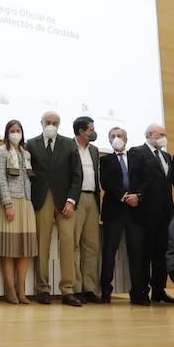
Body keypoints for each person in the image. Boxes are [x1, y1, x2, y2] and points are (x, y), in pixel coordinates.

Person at [26, 111, 81, 305]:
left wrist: (71, 200)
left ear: (60, 124)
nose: (51, 125)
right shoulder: (31, 144)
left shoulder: (69, 143)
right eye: (48, 122)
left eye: (55, 122)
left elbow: (77, 175)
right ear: (41, 122)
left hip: (65, 201)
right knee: (42, 244)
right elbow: (27, 173)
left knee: (68, 243)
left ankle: (67, 290)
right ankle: (43, 289)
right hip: (41, 199)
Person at [126, 124, 174, 304]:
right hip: (145, 212)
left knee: (161, 255)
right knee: (144, 254)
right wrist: (139, 195)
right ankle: (140, 292)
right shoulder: (136, 152)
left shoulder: (166, 156)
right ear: (149, 135)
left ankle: (158, 290)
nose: (164, 137)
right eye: (160, 134)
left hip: (165, 214)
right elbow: (134, 179)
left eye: (165, 133)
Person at [99, 127, 147, 305]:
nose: (116, 138)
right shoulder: (105, 161)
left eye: (119, 136)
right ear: (109, 140)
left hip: (136, 211)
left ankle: (138, 293)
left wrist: (138, 196)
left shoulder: (138, 158)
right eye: (112, 136)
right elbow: (106, 184)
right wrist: (125, 197)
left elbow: (146, 180)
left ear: (126, 139)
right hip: (114, 211)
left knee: (136, 253)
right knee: (109, 252)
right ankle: (105, 291)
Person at [0, 121, 36, 303]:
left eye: (18, 130)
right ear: (7, 133)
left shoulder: (26, 153)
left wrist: (29, 202)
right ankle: (10, 289)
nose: (16, 133)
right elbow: (1, 179)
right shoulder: (1, 152)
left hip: (26, 204)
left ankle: (22, 290)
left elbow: (29, 179)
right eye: (12, 131)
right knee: (8, 249)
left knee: (25, 249)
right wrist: (8, 204)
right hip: (8, 204)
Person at [70, 116, 102, 303]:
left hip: (92, 199)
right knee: (73, 244)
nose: (93, 131)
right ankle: (76, 287)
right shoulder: (68, 146)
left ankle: (89, 288)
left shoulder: (95, 150)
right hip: (76, 198)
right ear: (81, 131)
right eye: (91, 129)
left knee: (92, 246)